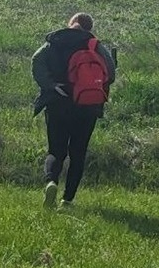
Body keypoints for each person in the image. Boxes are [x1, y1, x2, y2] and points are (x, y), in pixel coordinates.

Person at [32, 13, 117, 210]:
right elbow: (110, 74)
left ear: (70, 24)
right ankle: (67, 201)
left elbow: (36, 61)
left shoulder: (54, 41)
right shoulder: (94, 45)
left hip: (58, 103)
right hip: (87, 105)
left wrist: (51, 85)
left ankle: (51, 182)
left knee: (56, 150)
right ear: (89, 28)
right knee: (78, 153)